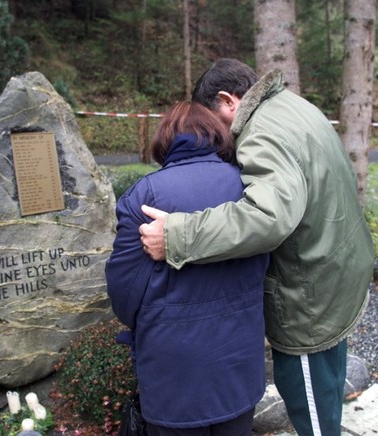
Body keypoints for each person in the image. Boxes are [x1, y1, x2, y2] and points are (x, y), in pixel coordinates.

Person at [139, 58, 375, 436]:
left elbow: (268, 218)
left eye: (215, 121)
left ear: (228, 100)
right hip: (337, 271)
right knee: (328, 392)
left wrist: (176, 235)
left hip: (308, 297)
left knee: (313, 412)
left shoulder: (262, 130)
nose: (219, 135)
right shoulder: (293, 107)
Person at [105, 101, 269, 436]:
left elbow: (123, 291)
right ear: (216, 135)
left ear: (165, 140)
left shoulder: (145, 196)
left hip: (173, 372)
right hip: (239, 360)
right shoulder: (251, 189)